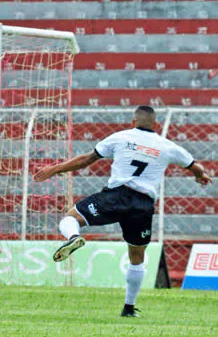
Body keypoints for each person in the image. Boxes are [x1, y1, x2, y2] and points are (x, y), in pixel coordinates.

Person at [34, 106, 212, 317]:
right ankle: (129, 307)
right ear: (155, 125)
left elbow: (86, 159)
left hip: (116, 196)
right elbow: (194, 166)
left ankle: (74, 237)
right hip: (143, 205)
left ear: (133, 122)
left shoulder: (121, 137)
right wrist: (200, 176)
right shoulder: (168, 146)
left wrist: (54, 169)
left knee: (72, 217)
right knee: (137, 256)